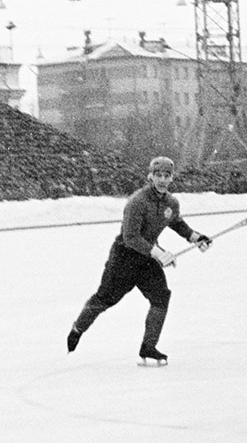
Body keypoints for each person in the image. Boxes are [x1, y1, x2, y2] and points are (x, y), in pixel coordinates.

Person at [65, 156, 212, 366]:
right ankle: (78, 328)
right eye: (158, 175)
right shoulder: (137, 202)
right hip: (124, 259)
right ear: (150, 176)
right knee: (105, 299)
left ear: (171, 178)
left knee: (161, 296)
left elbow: (176, 222)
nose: (162, 179)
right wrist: (159, 254)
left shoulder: (171, 202)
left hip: (147, 260)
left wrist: (196, 237)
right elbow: (131, 237)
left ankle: (148, 346)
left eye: (167, 175)